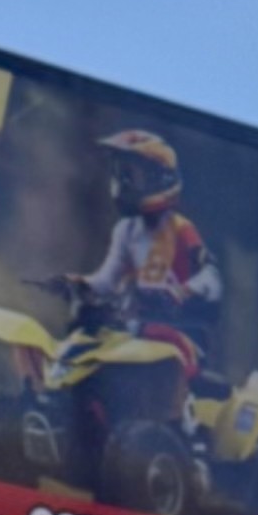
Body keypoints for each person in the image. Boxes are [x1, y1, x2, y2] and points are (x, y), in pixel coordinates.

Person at [76, 128, 222, 354]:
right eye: (121, 173)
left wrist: (180, 293)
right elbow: (107, 279)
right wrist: (78, 285)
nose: (124, 182)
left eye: (132, 175)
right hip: (133, 329)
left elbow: (212, 279)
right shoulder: (125, 229)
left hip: (178, 334)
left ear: (160, 178)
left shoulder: (181, 228)